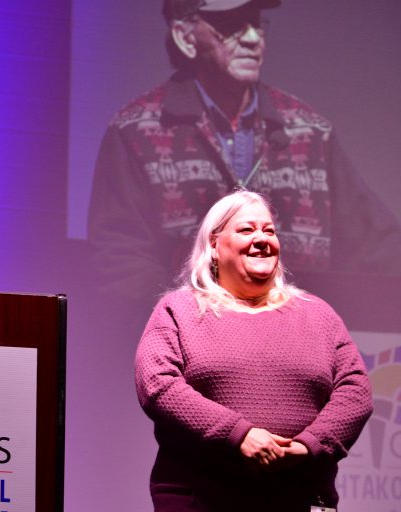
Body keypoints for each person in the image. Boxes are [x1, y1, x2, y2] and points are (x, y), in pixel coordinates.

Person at [87, 0, 401, 326]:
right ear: (185, 37)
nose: (252, 38)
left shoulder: (310, 133)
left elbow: (378, 249)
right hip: (185, 352)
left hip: (297, 352)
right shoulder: (136, 133)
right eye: (232, 24)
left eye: (256, 23)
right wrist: (192, 322)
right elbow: (119, 263)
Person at [134, 190, 372, 511]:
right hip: (200, 498)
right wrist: (239, 435)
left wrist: (309, 445)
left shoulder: (318, 315)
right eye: (247, 230)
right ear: (215, 247)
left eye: (269, 231)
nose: (262, 239)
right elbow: (158, 384)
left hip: (299, 496)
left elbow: (355, 391)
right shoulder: (179, 310)